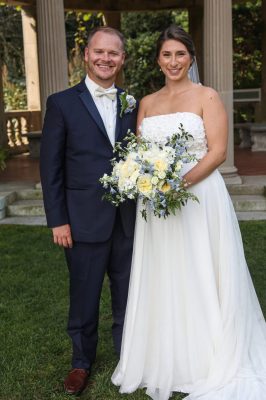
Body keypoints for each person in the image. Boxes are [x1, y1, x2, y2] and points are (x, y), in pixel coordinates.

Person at [112, 24, 266, 400]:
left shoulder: (207, 96)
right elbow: (139, 153)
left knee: (200, 267)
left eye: (180, 54)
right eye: (167, 54)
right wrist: (144, 179)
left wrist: (176, 184)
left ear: (191, 58)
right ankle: (165, 356)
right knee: (164, 272)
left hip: (198, 198)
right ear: (158, 60)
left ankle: (206, 356)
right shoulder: (146, 103)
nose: (174, 61)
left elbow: (217, 152)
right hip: (157, 207)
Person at [40, 26, 137, 396]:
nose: (105, 59)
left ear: (122, 59)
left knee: (128, 294)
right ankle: (81, 362)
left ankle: (127, 357)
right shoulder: (62, 103)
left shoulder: (132, 103)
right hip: (80, 221)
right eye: (99, 52)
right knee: (84, 295)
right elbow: (50, 169)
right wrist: (58, 220)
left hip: (127, 221)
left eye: (113, 53)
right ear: (86, 55)